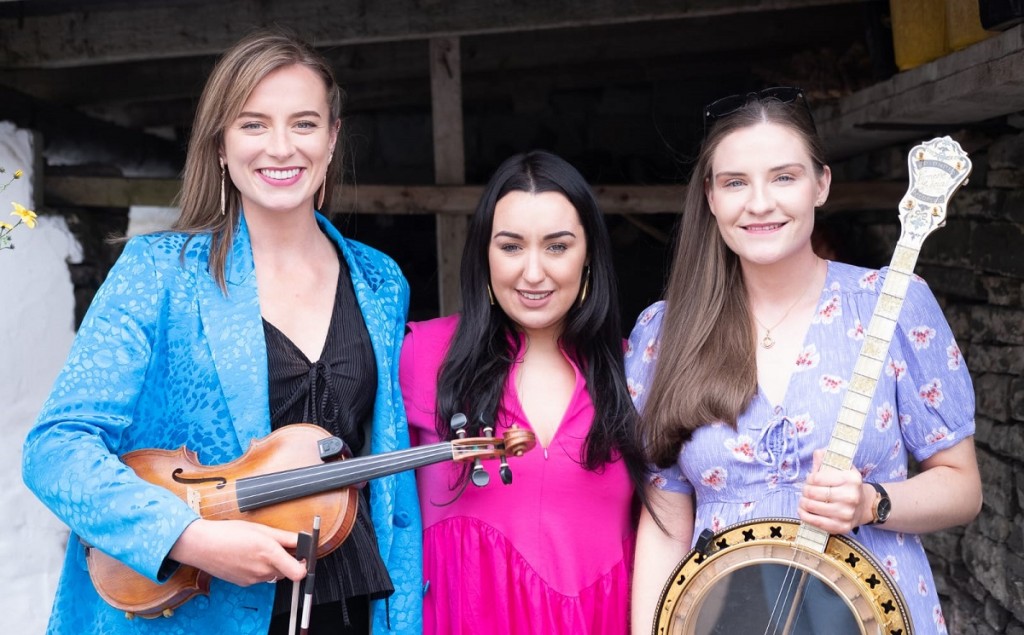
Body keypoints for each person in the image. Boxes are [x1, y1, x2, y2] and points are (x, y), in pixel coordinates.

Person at [22, 30, 421, 634]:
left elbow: (387, 473)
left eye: (304, 124)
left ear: (333, 139)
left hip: (349, 607)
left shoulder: (380, 280)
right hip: (201, 609)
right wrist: (190, 538)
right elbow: (55, 448)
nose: (281, 148)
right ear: (219, 145)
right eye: (253, 124)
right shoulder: (158, 272)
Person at [627, 88, 982, 634]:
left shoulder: (891, 304)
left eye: (784, 177)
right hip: (724, 622)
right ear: (711, 197)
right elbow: (664, 525)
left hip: (874, 616)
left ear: (822, 184)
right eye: (736, 182)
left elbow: (962, 487)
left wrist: (872, 502)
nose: (760, 202)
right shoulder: (665, 332)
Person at [399, 150, 645, 634]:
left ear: (589, 254)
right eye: (511, 247)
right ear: (484, 254)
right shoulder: (418, 355)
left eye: (557, 247)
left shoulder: (636, 367)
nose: (533, 273)